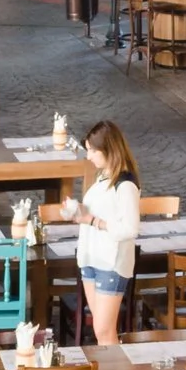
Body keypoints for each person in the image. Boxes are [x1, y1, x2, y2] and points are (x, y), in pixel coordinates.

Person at [74, 120, 144, 345]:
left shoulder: (125, 184)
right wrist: (81, 213)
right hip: (92, 258)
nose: (89, 156)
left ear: (108, 150)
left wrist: (94, 221)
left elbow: (130, 228)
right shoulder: (103, 177)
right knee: (100, 329)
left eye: (93, 151)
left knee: (104, 331)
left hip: (111, 262)